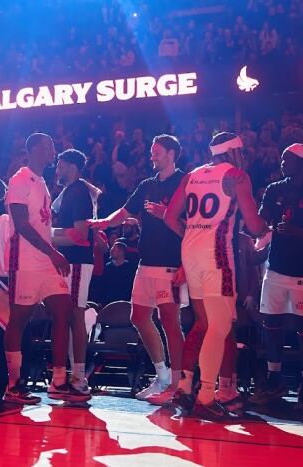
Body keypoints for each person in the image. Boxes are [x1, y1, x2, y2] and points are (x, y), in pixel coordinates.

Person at [163, 132, 268, 420]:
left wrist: (194, 235)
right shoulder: (236, 175)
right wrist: (267, 231)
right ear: (233, 151)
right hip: (218, 255)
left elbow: (170, 217)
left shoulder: (192, 175)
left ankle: (185, 388)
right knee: (220, 328)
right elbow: (254, 223)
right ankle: (207, 395)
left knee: (204, 323)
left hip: (190, 253)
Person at [89, 134, 187, 405]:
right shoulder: (146, 185)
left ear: (171, 154)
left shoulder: (184, 182)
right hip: (145, 264)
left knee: (170, 321)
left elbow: (190, 225)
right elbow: (124, 211)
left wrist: (166, 213)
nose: (152, 156)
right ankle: (162, 374)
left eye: (157, 152)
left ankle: (178, 384)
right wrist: (103, 222)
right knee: (139, 317)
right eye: (152, 151)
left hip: (170, 264)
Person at [3, 133, 87, 404]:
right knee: (18, 319)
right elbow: (21, 224)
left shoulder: (42, 183)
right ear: (36, 149)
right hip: (26, 263)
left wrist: (68, 237)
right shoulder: (19, 179)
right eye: (50, 146)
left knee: (63, 312)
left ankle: (59, 381)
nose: (54, 150)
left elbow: (43, 227)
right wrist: (53, 252)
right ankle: (13, 384)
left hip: (46, 260)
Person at [250, 144, 303, 410]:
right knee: (270, 324)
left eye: (288, 159)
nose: (282, 162)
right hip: (275, 268)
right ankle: (274, 380)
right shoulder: (275, 189)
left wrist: (295, 231)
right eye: (282, 158)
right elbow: (260, 222)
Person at [51, 149, 96, 399]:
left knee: (76, 315)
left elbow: (80, 234)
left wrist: (48, 236)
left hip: (77, 262)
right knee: (67, 316)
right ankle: (72, 375)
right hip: (70, 262)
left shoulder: (78, 191)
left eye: (60, 164)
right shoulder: (72, 191)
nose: (57, 169)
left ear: (72, 166)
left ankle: (79, 378)